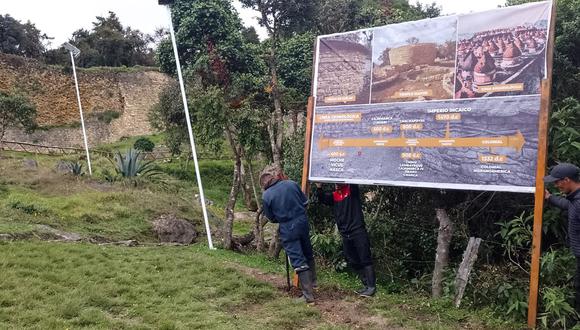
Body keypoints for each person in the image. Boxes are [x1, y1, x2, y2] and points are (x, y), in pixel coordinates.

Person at [260, 166, 316, 303]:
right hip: (302, 222)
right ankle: (313, 283)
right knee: (307, 251)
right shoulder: (292, 184)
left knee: (297, 258)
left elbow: (271, 218)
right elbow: (305, 202)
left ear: (264, 184)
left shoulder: (267, 195)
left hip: (287, 226)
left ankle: (308, 296)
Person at [315, 183, 376, 297]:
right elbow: (322, 198)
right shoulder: (335, 195)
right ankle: (366, 284)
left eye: (338, 182)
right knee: (351, 259)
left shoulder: (351, 191)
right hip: (345, 234)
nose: (336, 184)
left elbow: (351, 176)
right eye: (335, 182)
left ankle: (371, 287)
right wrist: (319, 187)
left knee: (365, 258)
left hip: (357, 231)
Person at [544, 163, 580, 312]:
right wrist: (549, 197)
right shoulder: (574, 199)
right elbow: (567, 204)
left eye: (557, 182)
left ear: (566, 179)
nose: (556, 185)